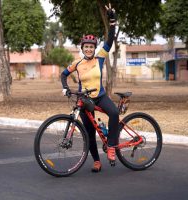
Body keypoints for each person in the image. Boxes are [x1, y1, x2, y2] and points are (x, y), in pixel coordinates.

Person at [60, 3, 119, 172]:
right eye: (86, 47)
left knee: (114, 113)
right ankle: (96, 161)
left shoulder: (100, 57)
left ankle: (112, 147)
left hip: (99, 96)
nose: (88, 49)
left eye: (91, 47)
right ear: (82, 48)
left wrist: (112, 21)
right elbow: (63, 74)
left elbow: (109, 40)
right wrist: (65, 88)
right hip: (85, 100)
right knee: (89, 133)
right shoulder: (77, 63)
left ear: (94, 48)